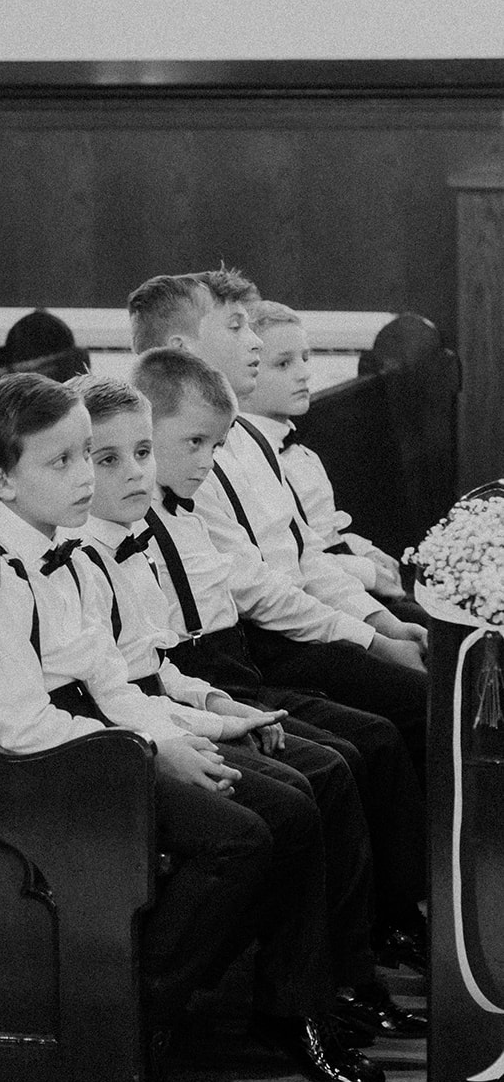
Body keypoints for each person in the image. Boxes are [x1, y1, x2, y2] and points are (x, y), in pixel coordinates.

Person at [0, 370, 386, 1082]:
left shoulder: (66, 555)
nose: (82, 478)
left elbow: (117, 684)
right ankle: (127, 1015)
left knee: (287, 799)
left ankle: (279, 1004)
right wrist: (155, 756)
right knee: (242, 834)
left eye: (81, 457)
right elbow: (22, 721)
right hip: (42, 765)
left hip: (96, 736)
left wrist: (189, 733)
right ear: (2, 483)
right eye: (64, 462)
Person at [69, 372, 423, 1040]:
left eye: (143, 452)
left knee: (344, 756)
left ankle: (345, 969)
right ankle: (292, 997)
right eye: (109, 458)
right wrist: (204, 719)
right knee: (318, 774)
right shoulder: (87, 548)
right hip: (142, 715)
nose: (200, 460)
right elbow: (124, 678)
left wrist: (213, 707)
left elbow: (156, 663)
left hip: (204, 680)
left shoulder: (159, 522)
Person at [127, 268, 429, 780]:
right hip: (259, 642)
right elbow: (254, 589)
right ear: (183, 347)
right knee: (383, 726)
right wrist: (372, 640)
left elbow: (304, 553)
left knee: (425, 678)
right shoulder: (180, 460)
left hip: (280, 626)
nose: (254, 341)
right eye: (236, 327)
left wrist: (381, 624)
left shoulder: (251, 437)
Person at [244, 299, 414, 608]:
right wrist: (367, 572)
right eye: (284, 364)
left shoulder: (302, 453)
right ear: (244, 372)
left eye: (305, 359)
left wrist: (365, 550)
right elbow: (296, 560)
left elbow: (326, 533)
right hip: (316, 600)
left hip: (346, 577)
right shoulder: (248, 461)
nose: (304, 374)